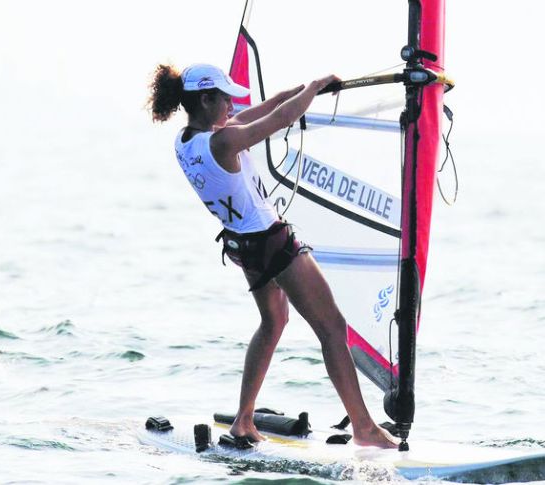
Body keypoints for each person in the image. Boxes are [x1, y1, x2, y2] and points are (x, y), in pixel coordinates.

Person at [147, 63, 397, 448]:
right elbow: (276, 120)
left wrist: (294, 93)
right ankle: (364, 427)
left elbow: (259, 112)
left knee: (273, 321)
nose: (232, 103)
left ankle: (243, 420)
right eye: (225, 96)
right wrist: (311, 88)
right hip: (272, 242)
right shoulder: (223, 143)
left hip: (243, 246)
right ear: (205, 98)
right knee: (332, 327)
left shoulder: (187, 142)